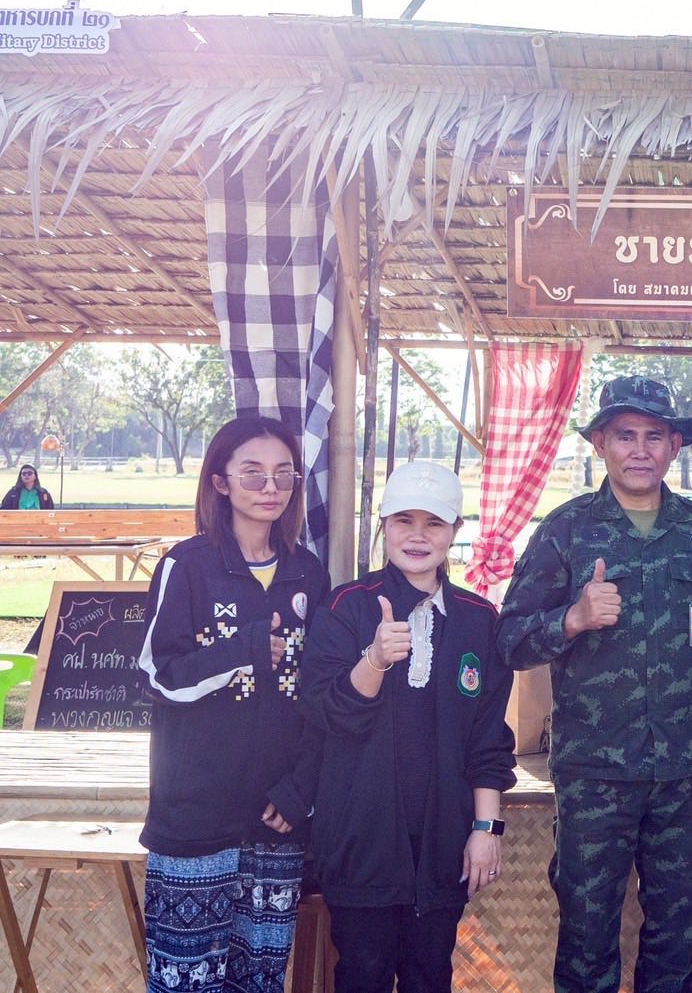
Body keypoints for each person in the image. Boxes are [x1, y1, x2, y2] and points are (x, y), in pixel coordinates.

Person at [496, 375, 692, 993]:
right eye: (625, 435)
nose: (639, 450)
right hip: (594, 776)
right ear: (600, 443)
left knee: (678, 938)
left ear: (675, 446)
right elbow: (509, 640)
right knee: (587, 938)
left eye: (654, 436)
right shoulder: (564, 531)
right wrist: (572, 618)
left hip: (686, 777)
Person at [300, 462, 517, 993]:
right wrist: (374, 659)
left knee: (430, 975)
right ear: (383, 525)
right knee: (362, 974)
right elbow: (326, 714)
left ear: (455, 531)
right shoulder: (346, 606)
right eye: (403, 520)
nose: (418, 536)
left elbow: (488, 741)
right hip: (361, 838)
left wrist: (486, 830)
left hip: (443, 843)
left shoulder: (478, 618)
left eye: (434, 523)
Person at [136, 416, 329, 993]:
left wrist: (300, 790)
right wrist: (242, 651)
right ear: (220, 482)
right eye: (253, 473)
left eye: (283, 474)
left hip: (276, 815)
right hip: (195, 814)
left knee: (262, 979)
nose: (270, 487)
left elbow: (320, 697)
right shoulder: (187, 566)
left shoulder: (307, 573)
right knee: (186, 980)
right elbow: (158, 675)